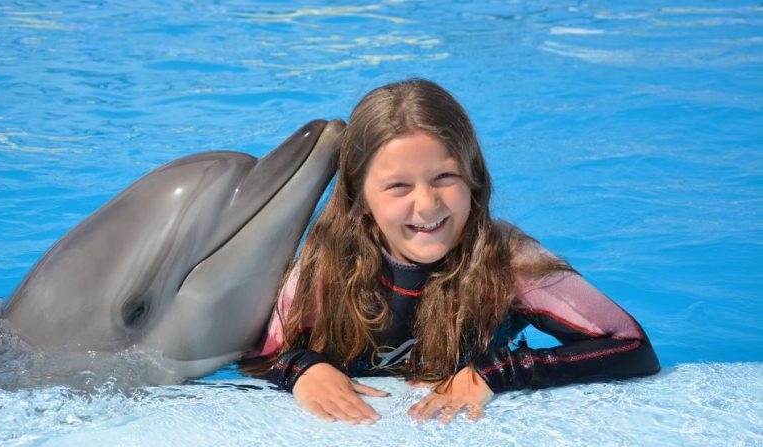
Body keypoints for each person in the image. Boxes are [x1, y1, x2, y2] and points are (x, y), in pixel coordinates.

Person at [247, 78, 660, 424]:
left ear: (474, 179)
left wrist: (496, 373)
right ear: (361, 197)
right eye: (398, 186)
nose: (426, 205)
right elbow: (259, 356)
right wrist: (303, 370)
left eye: (445, 177)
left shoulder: (505, 260)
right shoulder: (329, 263)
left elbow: (630, 346)